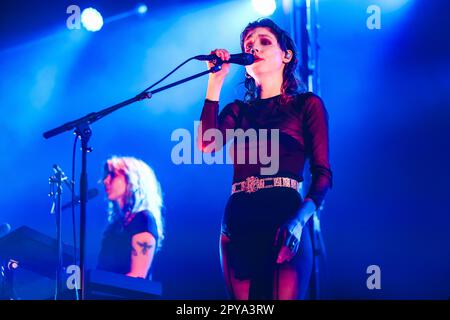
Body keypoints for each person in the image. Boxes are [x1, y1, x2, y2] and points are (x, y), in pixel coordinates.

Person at [198, 18, 332, 300]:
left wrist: (298, 222)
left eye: (264, 41)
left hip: (284, 218)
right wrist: (215, 81)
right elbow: (207, 143)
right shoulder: (238, 111)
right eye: (248, 44)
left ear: (286, 55)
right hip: (238, 221)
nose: (254, 47)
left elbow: (323, 176)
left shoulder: (306, 105)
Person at [97, 156, 164, 280]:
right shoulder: (114, 226)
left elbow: (137, 276)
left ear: (132, 180)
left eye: (113, 175)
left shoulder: (143, 220)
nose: (105, 181)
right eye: (106, 176)